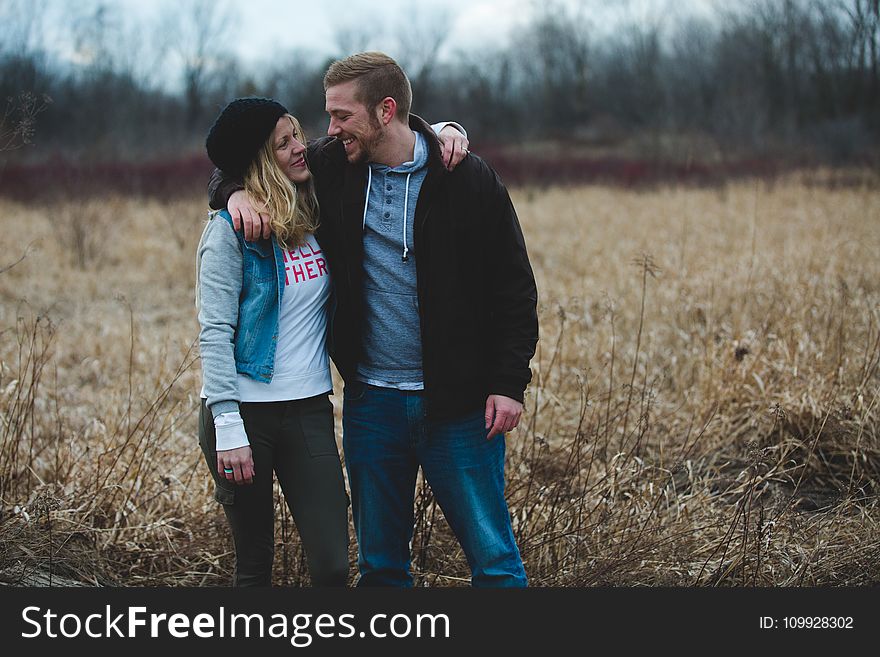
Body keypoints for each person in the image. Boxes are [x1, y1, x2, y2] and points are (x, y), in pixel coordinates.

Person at [210, 52, 537, 588]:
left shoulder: (467, 178)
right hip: (372, 406)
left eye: (342, 115)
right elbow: (244, 162)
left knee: (496, 564)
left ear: (386, 111)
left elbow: (515, 290)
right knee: (381, 570)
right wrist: (233, 192)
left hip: (457, 405)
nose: (329, 129)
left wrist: (508, 383)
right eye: (328, 115)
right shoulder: (335, 167)